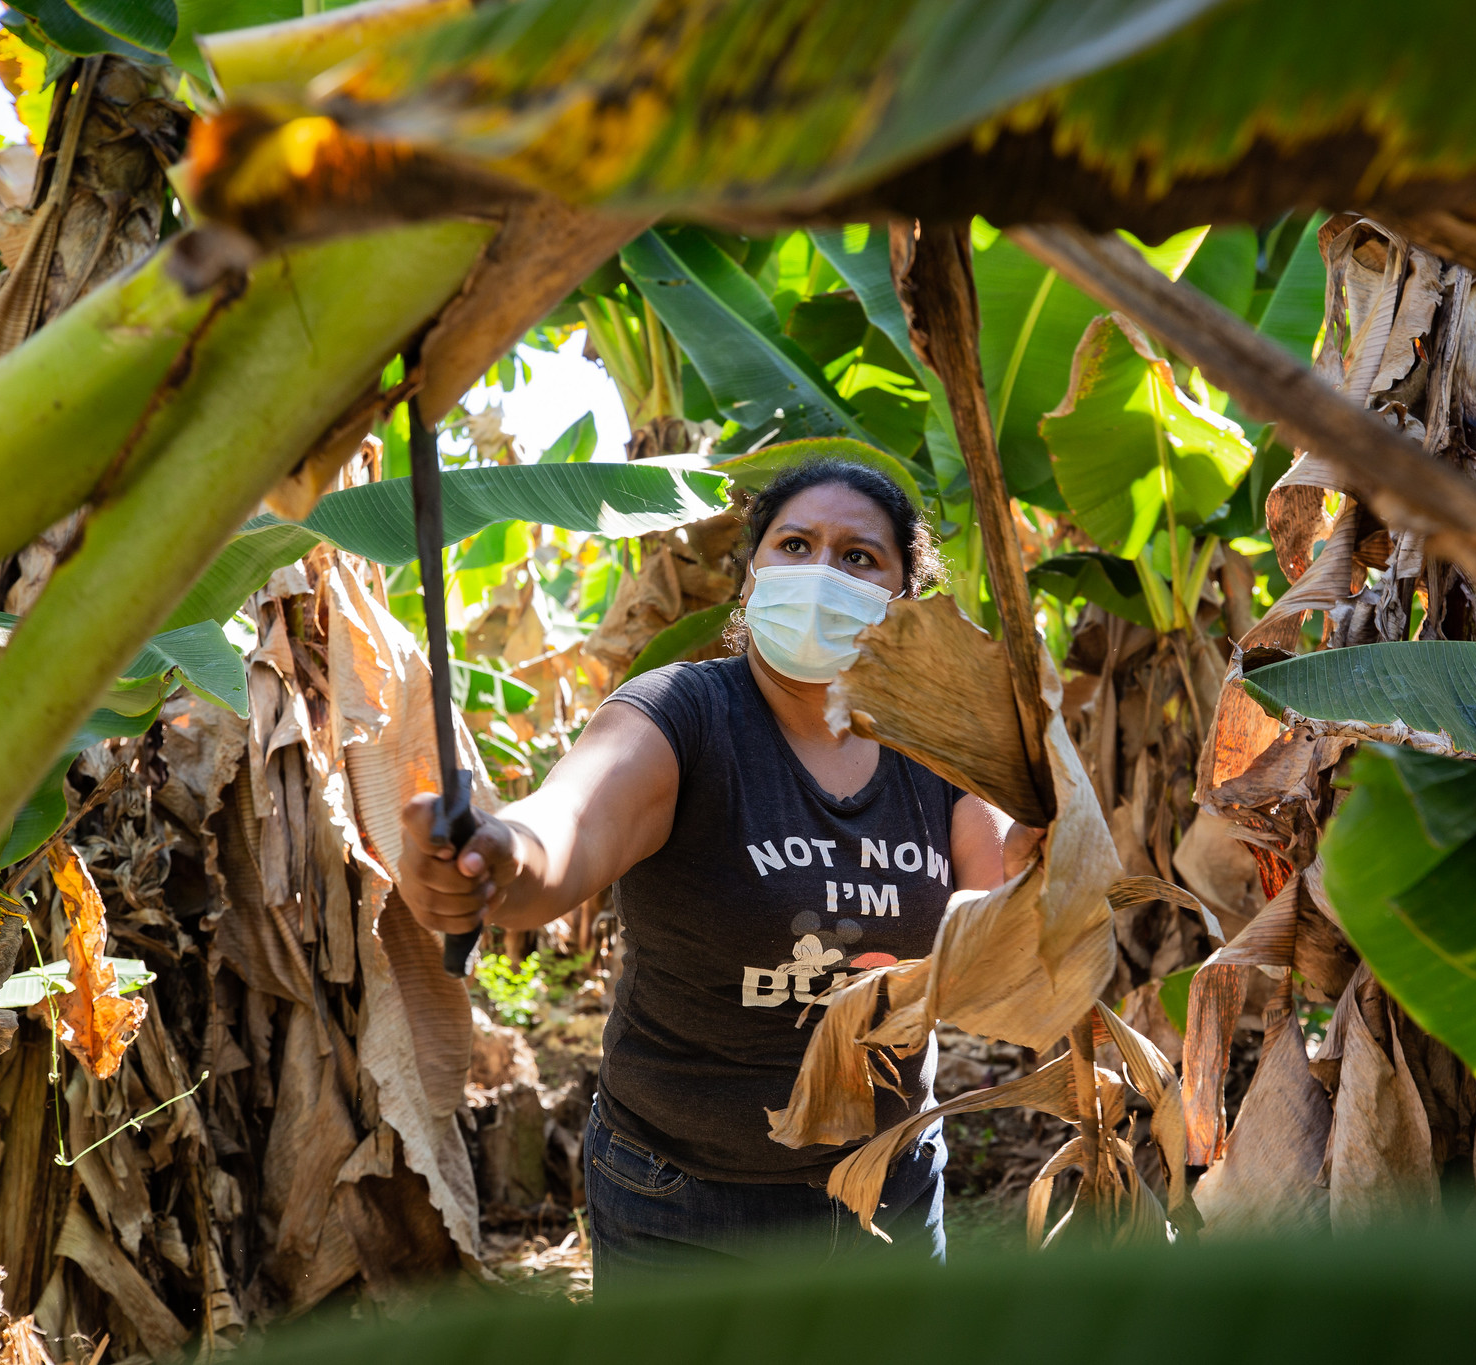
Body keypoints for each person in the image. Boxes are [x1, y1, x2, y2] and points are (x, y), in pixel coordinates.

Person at [397, 458, 1031, 1289]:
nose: (818, 573)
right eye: (795, 544)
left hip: (890, 1190)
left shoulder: (940, 745)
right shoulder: (682, 714)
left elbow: (999, 925)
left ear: (904, 602)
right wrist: (495, 851)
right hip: (685, 1202)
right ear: (749, 581)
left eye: (858, 557)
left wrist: (1047, 855)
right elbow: (570, 825)